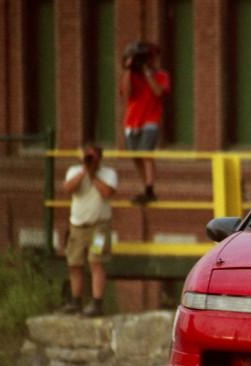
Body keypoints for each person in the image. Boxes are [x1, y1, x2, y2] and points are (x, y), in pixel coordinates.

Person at [59, 144, 118, 317]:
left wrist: (93, 175)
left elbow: (107, 193)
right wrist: (84, 171)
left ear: (100, 157)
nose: (89, 160)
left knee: (95, 261)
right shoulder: (74, 171)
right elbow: (68, 188)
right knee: (74, 263)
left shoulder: (108, 174)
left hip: (99, 227)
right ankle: (75, 301)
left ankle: (97, 303)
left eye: (92, 157)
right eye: (87, 156)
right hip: (77, 226)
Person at [119, 41, 170, 205]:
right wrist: (128, 69)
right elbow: (126, 93)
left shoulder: (162, 75)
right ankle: (146, 187)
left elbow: (159, 92)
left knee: (146, 154)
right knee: (136, 155)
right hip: (132, 121)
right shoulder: (131, 76)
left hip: (151, 120)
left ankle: (150, 188)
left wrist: (148, 74)